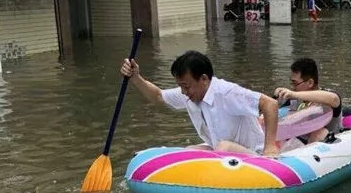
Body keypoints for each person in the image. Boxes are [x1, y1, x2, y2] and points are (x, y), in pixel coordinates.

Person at [120, 50, 280, 156]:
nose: (183, 91)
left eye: (186, 86)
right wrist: (135, 77)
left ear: (203, 79)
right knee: (189, 152)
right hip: (221, 152)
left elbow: (270, 104)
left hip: (253, 156)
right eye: (180, 86)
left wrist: (270, 147)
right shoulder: (190, 94)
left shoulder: (227, 92)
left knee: (223, 147)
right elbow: (158, 96)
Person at [274, 57, 342, 144]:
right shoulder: (293, 101)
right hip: (297, 142)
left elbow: (334, 99)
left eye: (295, 83)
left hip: (326, 144)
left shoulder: (328, 98)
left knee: (319, 133)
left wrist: (293, 94)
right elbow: (279, 116)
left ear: (310, 82)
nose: (292, 87)